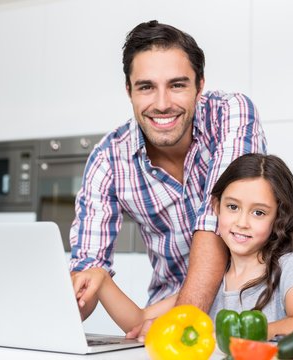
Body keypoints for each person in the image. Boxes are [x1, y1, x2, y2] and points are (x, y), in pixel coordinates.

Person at [69, 19, 267, 334]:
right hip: (167, 308)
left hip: (247, 306)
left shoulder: (231, 114)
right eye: (146, 87)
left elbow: (215, 221)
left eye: (177, 85)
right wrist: (55, 314)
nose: (162, 104)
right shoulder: (108, 159)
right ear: (129, 91)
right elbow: (87, 269)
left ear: (200, 86)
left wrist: (182, 324)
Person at [73, 153, 293, 339]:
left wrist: (220, 333)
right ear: (215, 206)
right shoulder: (212, 280)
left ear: (278, 217)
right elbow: (138, 320)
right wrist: (102, 280)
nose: (242, 223)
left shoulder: (289, 265)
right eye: (232, 207)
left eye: (258, 212)